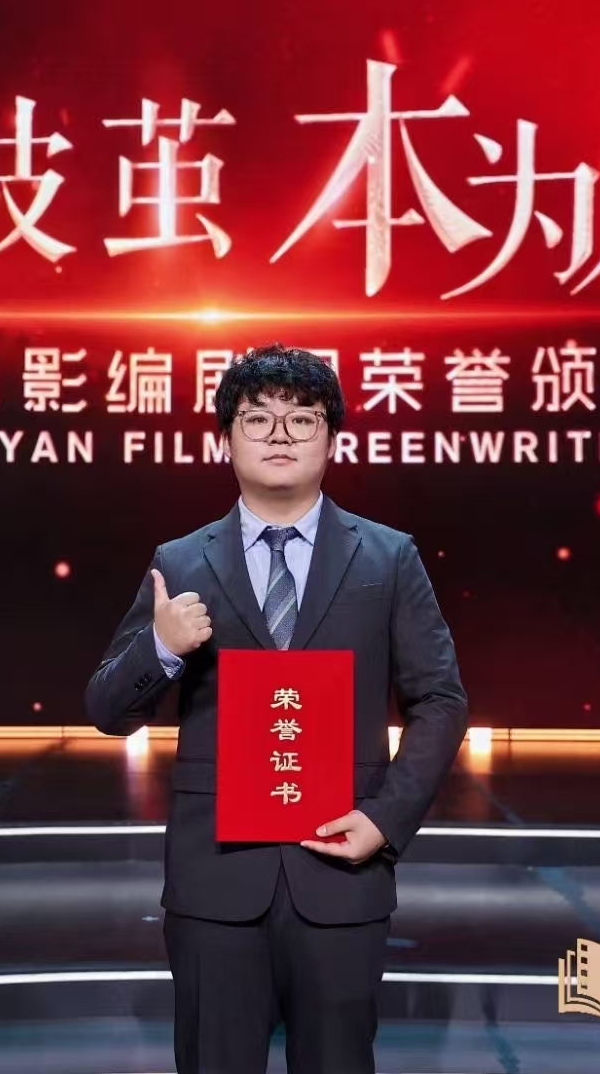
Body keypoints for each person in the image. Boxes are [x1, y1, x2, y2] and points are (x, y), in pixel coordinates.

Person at [85, 343, 469, 1074]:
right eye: (257, 419)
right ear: (225, 440)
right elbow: (108, 708)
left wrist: (385, 821)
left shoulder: (388, 558)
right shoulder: (180, 561)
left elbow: (441, 700)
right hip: (215, 878)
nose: (280, 435)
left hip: (342, 868)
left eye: (303, 418)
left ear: (333, 437)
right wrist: (162, 648)